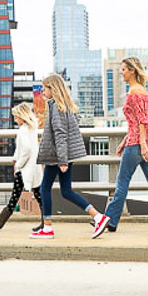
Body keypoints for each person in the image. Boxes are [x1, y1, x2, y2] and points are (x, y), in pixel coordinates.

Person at [98, 56, 148, 234]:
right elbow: (138, 121)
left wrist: (140, 143)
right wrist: (125, 142)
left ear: (132, 70)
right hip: (141, 141)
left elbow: (142, 121)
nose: (121, 72)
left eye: (124, 69)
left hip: (138, 143)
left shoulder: (135, 91)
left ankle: (109, 221)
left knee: (122, 182)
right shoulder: (141, 90)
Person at [31, 74, 110, 239]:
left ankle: (48, 228)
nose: (42, 91)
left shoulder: (56, 107)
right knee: (66, 191)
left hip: (58, 157)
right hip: (62, 155)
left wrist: (62, 160)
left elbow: (60, 135)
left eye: (45, 88)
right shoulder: (65, 106)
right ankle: (98, 216)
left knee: (45, 188)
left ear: (53, 89)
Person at [0, 103, 44, 231]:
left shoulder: (23, 130)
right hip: (33, 168)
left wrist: (18, 164)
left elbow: (27, 149)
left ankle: (1, 220)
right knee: (39, 196)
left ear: (22, 116)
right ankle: (45, 222)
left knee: (15, 195)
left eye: (16, 117)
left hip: (25, 169)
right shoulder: (31, 129)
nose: (15, 119)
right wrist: (15, 156)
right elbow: (24, 148)